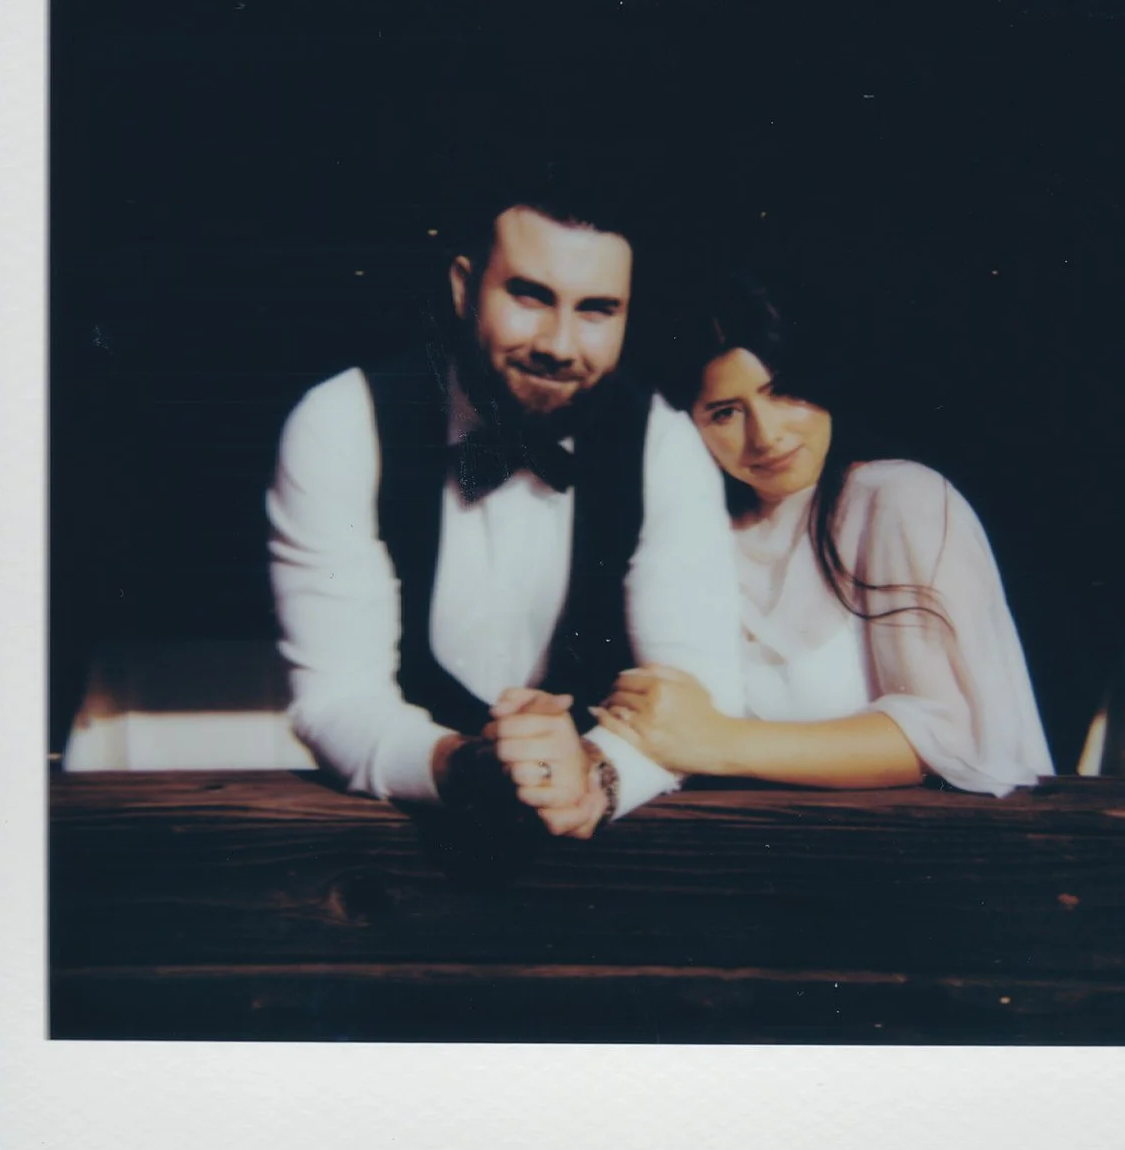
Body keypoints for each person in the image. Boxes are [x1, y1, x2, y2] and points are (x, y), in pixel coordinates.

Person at [266, 162, 745, 840]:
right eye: (530, 296)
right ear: (465, 287)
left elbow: (699, 697)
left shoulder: (663, 444)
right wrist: (462, 766)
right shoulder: (342, 422)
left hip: (608, 855)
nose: (558, 344)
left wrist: (598, 776)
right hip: (391, 848)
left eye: (596, 310)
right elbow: (337, 698)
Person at [593, 274, 1054, 796]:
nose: (766, 436)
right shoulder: (693, 540)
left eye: (783, 392)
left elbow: (951, 736)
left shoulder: (900, 498)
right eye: (725, 412)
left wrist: (720, 741)